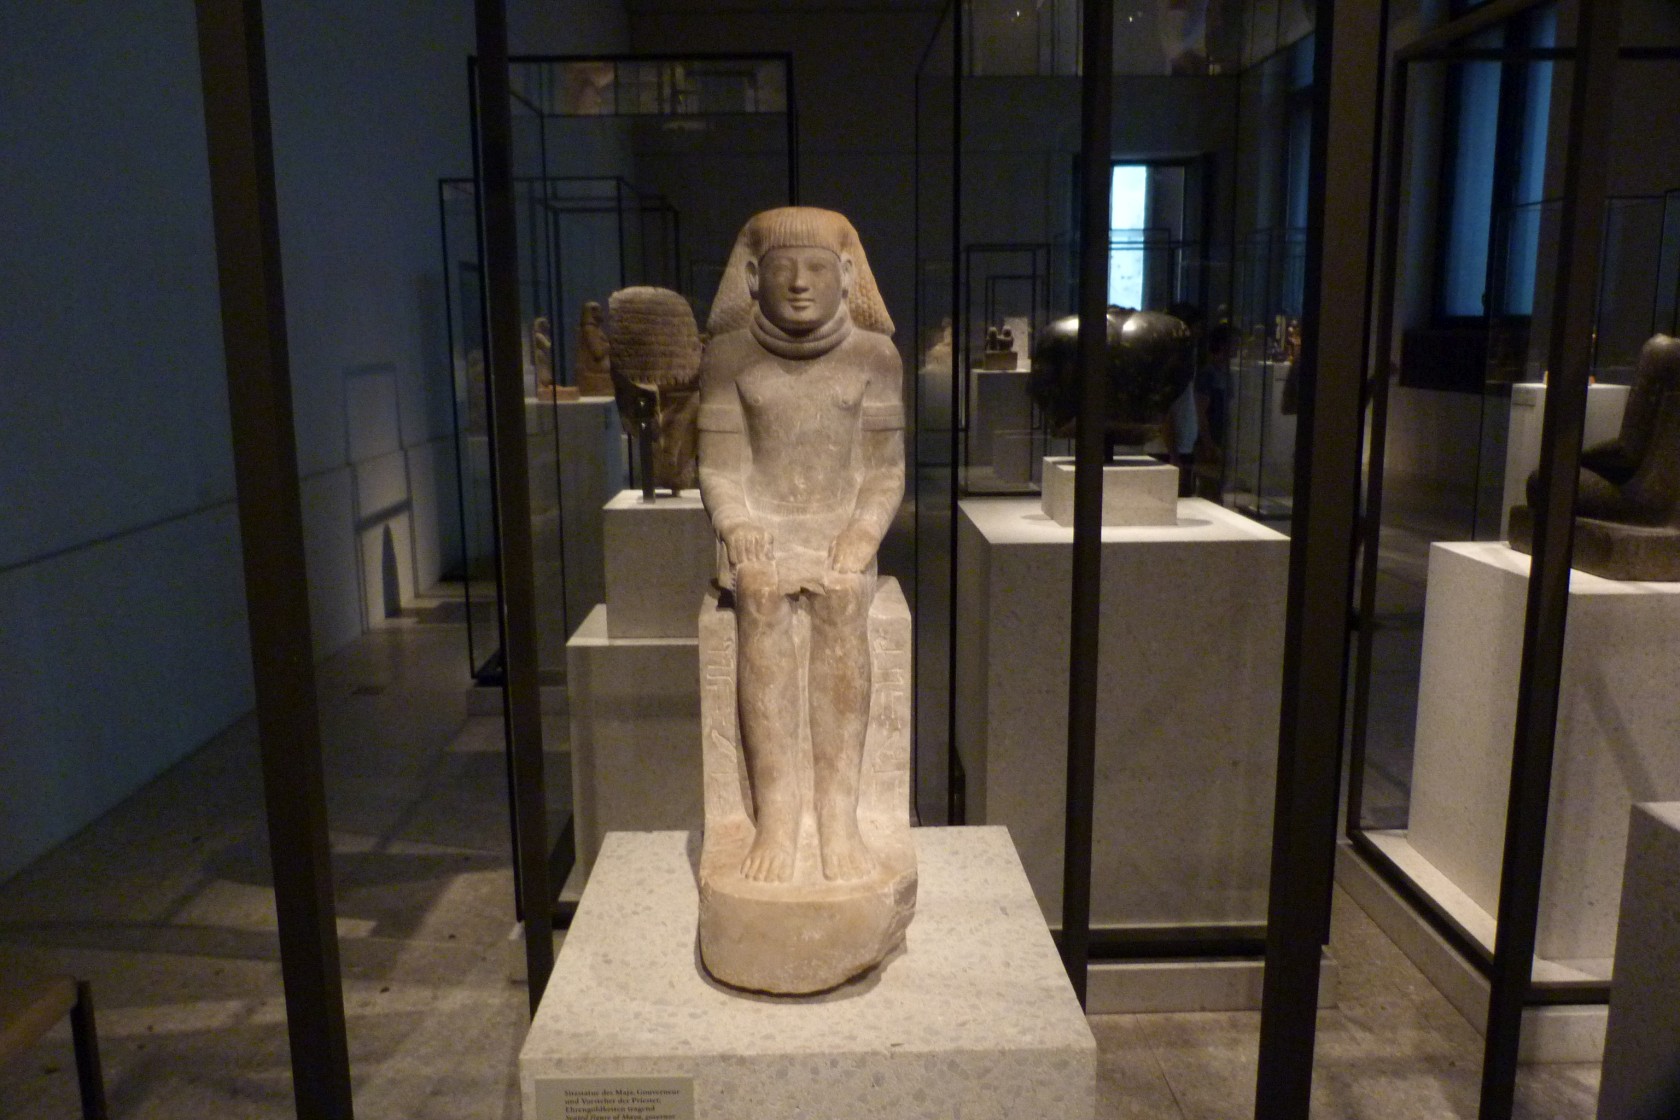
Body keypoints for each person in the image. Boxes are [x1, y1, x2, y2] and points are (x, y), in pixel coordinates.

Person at [696, 207, 905, 884]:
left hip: (840, 526)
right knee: (758, 595)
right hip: (760, 526)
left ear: (846, 276)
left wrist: (864, 531)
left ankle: (837, 817)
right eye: (783, 268)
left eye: (816, 268)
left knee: (843, 598)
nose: (799, 283)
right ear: (751, 277)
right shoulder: (729, 357)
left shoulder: (875, 357)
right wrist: (737, 527)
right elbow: (718, 470)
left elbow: (885, 473)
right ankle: (779, 816)